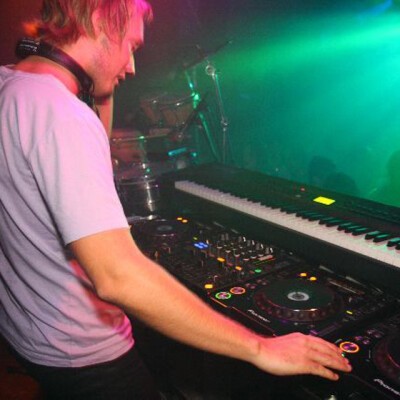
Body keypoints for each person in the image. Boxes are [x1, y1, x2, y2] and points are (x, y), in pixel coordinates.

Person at [0, 0, 351, 399]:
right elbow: (118, 278)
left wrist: (100, 85)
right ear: (101, 20)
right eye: (132, 45)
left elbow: (93, 153)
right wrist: (259, 347)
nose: (132, 66)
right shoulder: (61, 114)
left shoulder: (13, 85)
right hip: (85, 352)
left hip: (30, 332)